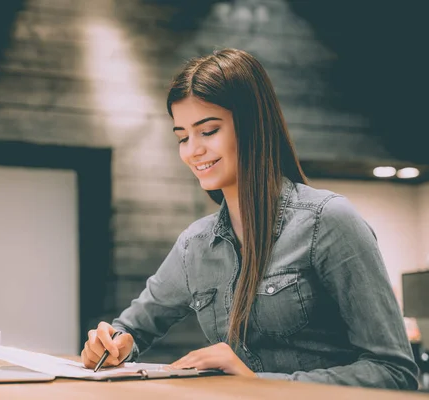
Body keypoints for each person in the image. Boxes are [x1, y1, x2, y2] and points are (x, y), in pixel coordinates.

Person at [80, 48, 419, 390]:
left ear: (252, 126)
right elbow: (132, 329)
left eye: (208, 131)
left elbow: (395, 373)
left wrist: (260, 382)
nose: (192, 150)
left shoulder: (327, 222)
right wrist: (112, 343)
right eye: (182, 137)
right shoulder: (194, 245)